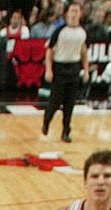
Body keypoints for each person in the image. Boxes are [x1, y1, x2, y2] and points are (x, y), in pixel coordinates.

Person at [43, 9, 88, 142]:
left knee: (70, 103)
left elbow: (84, 52)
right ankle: (46, 121)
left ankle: (66, 131)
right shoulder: (59, 31)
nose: (74, 14)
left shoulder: (83, 32)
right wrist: (49, 70)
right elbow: (49, 50)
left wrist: (85, 70)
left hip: (74, 67)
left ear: (80, 15)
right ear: (67, 14)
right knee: (55, 101)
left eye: (76, 11)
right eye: (72, 11)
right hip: (59, 67)